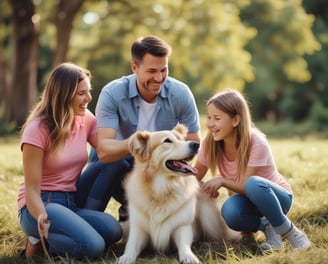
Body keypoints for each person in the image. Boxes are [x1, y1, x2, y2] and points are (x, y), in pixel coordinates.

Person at [76, 35, 200, 220]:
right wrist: (141, 143)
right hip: (120, 167)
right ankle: (90, 217)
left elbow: (193, 141)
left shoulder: (180, 93)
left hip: (159, 170)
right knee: (110, 161)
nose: (159, 78)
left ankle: (137, 212)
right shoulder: (112, 93)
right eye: (151, 71)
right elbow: (104, 150)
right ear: (134, 67)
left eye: (163, 70)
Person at [18, 62, 122, 259]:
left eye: (88, 91)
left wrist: (141, 143)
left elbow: (106, 151)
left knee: (113, 230)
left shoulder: (85, 119)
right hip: (39, 205)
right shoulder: (37, 129)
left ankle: (48, 241)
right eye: (82, 93)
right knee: (93, 246)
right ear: (64, 95)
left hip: (70, 201)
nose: (89, 98)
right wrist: (41, 214)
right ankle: (37, 241)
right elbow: (31, 189)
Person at [194, 88, 311, 251]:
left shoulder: (256, 142)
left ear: (235, 120)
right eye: (209, 117)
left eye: (217, 118)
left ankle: (291, 231)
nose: (210, 124)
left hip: (276, 198)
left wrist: (220, 181)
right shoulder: (210, 142)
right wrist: (201, 187)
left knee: (253, 184)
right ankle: (269, 227)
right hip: (247, 202)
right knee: (229, 212)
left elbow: (245, 186)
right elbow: (195, 175)